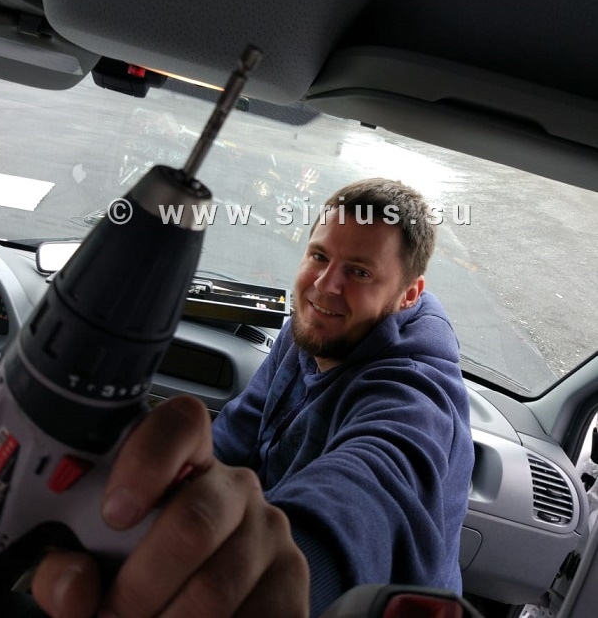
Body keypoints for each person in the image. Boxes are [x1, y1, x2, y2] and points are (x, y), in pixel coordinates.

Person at [33, 177, 474, 618]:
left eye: (359, 272)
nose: (325, 286)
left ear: (409, 295)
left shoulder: (416, 393)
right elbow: (236, 435)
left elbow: (375, 484)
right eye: (319, 256)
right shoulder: (312, 330)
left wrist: (291, 564)